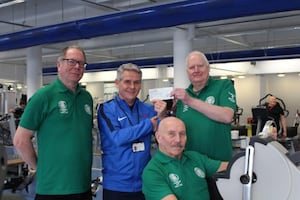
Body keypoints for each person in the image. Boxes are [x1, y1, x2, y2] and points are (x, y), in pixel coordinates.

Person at [13, 45, 94, 200]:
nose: (77, 67)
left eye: (81, 63)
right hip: (53, 189)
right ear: (59, 64)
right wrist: (39, 167)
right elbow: (20, 140)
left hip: (82, 186)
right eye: (71, 61)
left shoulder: (86, 98)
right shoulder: (44, 96)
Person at [170, 51, 236, 200]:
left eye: (200, 66)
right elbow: (176, 131)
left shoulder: (223, 85)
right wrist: (162, 115)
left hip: (220, 169)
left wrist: (190, 101)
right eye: (192, 67)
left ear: (208, 68)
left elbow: (227, 116)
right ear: (187, 72)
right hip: (192, 171)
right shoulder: (182, 97)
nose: (196, 70)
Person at [97, 63, 167, 200]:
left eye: (136, 82)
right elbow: (117, 137)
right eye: (127, 82)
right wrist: (148, 125)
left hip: (145, 183)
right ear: (117, 83)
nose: (132, 87)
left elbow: (165, 136)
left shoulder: (148, 109)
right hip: (116, 185)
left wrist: (164, 115)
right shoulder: (106, 109)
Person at [142, 117, 228, 200]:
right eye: (171, 134)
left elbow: (232, 167)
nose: (178, 140)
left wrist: (240, 162)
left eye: (182, 134)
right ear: (159, 137)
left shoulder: (195, 157)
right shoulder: (152, 172)